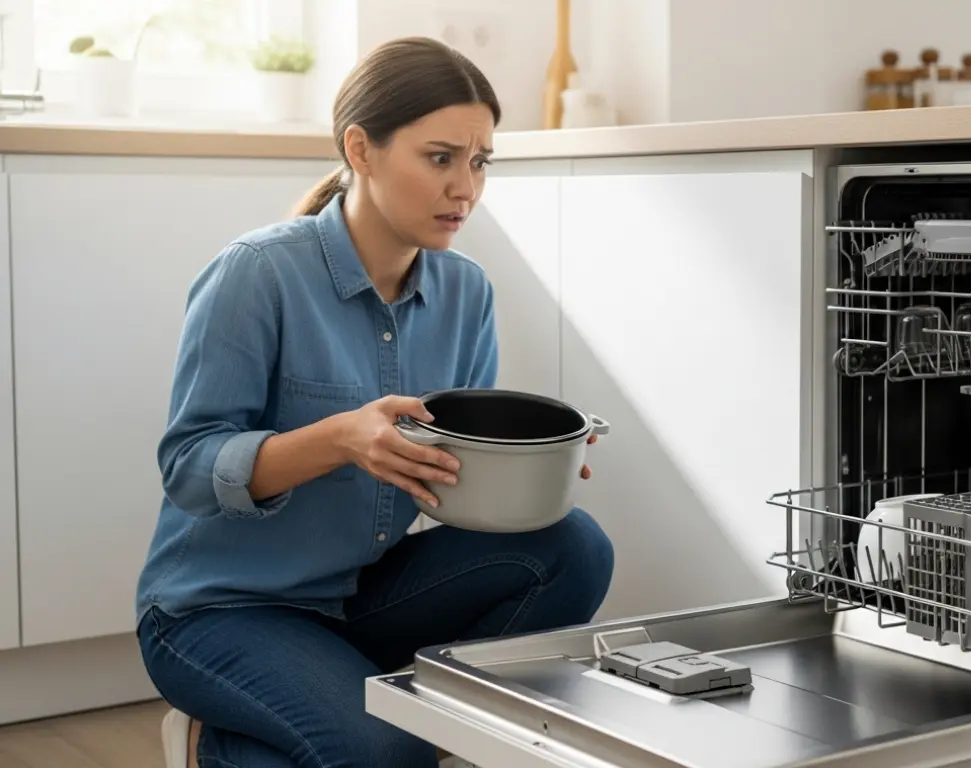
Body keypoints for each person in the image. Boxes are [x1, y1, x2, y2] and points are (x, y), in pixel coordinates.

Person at [133, 37, 615, 768]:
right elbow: (190, 469)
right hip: (219, 611)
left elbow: (453, 471)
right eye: (440, 157)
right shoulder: (258, 274)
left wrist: (530, 473)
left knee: (573, 546)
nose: (467, 188)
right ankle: (224, 744)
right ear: (361, 149)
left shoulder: (467, 292)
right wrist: (339, 439)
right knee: (386, 753)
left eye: (480, 161)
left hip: (358, 599)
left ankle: (377, 718)